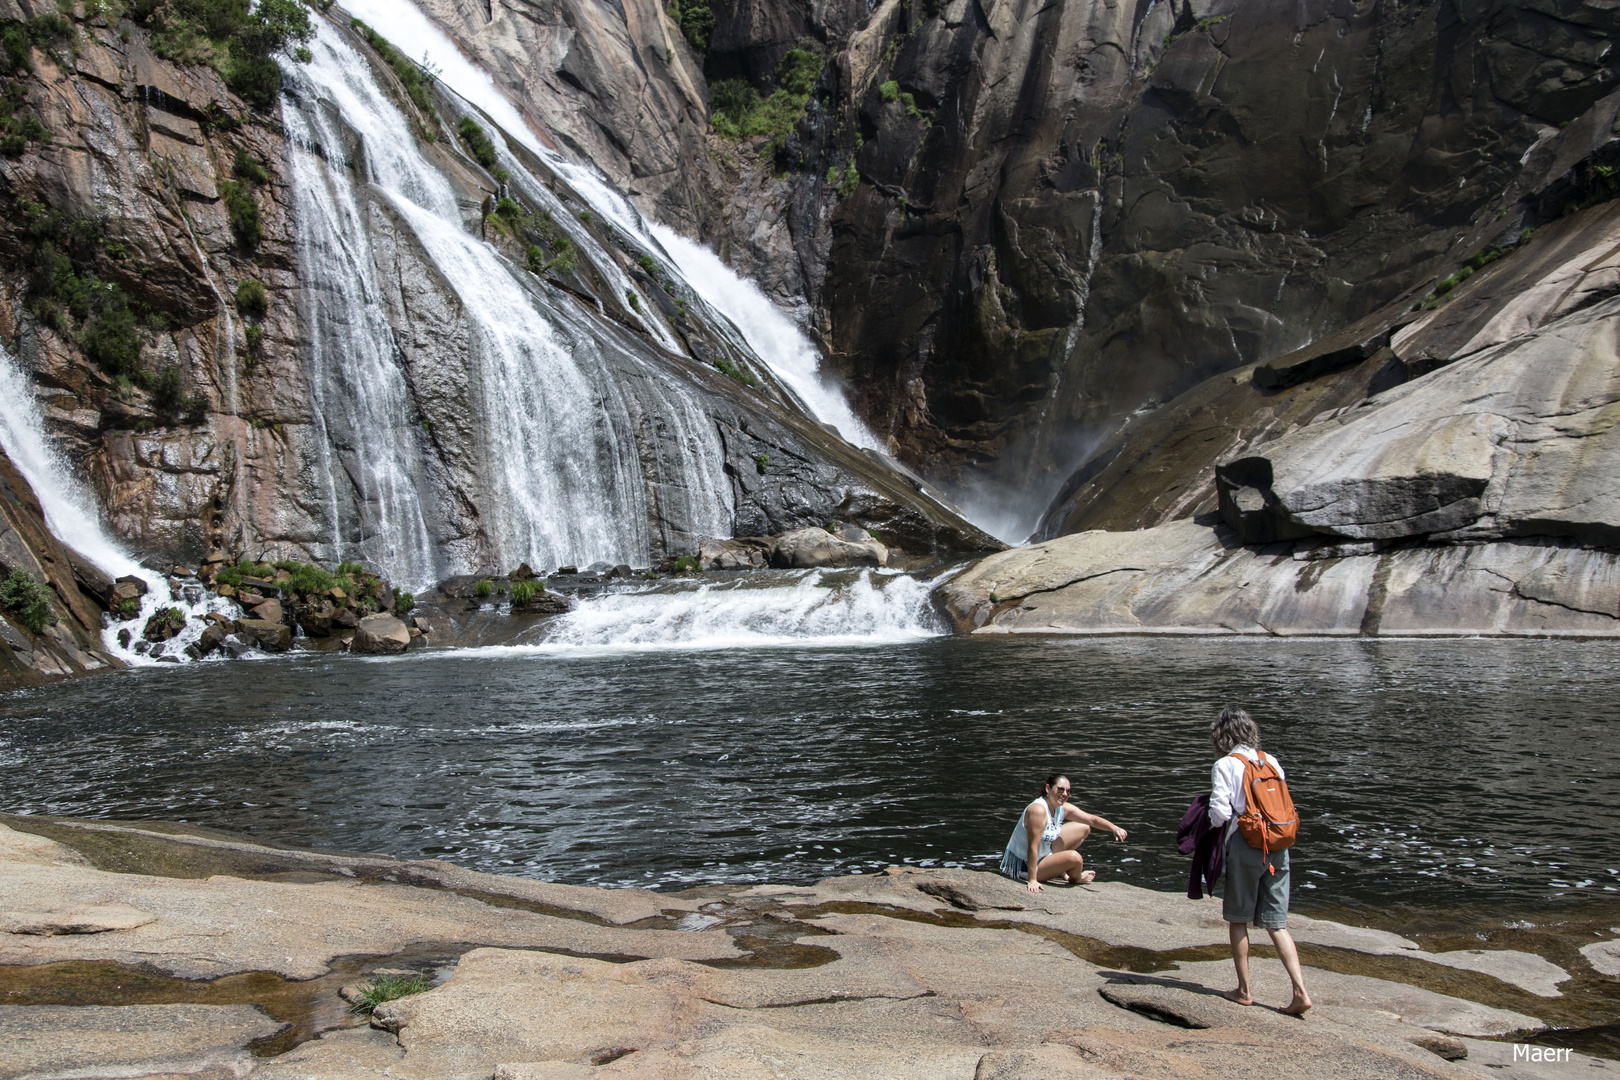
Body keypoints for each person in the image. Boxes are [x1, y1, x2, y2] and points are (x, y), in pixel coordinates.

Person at [1208, 706, 1312, 1015]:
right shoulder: (1272, 761)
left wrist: (1209, 825)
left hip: (1246, 843)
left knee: (1239, 918)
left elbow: (1221, 814)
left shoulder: (1226, 764)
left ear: (1221, 736)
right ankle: (1300, 992)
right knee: (1277, 924)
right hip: (1279, 844)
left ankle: (1244, 991)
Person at [999, 772, 1128, 892]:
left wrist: (1114, 828)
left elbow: (1091, 820)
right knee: (1075, 858)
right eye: (1060, 789)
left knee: (1084, 828)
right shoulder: (1038, 811)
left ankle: (1059, 868)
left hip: (1044, 854)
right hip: (1025, 866)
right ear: (1048, 789)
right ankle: (1076, 877)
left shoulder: (1061, 808)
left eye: (1068, 791)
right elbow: (1032, 847)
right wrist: (1033, 880)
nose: (1065, 794)